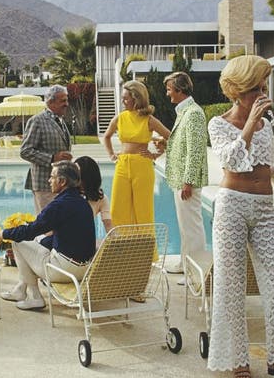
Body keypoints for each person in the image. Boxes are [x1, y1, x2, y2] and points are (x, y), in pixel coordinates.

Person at [207, 55, 274, 378]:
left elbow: (262, 166)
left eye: (264, 86)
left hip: (265, 209)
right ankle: (238, 361)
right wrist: (250, 123)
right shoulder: (218, 124)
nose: (263, 93)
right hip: (232, 207)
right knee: (231, 285)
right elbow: (232, 162)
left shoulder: (267, 126)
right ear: (238, 91)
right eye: (257, 87)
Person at [0, 161, 96, 310]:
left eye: (52, 177)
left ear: (62, 181)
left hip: (64, 271)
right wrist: (41, 242)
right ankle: (20, 289)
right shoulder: (83, 203)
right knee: (38, 241)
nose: (49, 180)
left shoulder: (59, 205)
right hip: (84, 269)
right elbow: (70, 236)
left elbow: (30, 231)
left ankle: (35, 297)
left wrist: (4, 233)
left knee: (18, 242)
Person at [101, 80, 171, 227]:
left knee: (143, 212)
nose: (123, 101)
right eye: (122, 98)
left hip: (142, 166)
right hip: (122, 166)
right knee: (117, 210)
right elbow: (106, 136)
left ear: (136, 98)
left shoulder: (149, 119)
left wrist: (157, 154)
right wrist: (112, 156)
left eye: (126, 98)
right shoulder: (120, 117)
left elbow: (170, 137)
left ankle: (146, 250)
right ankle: (123, 248)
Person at [163, 71, 209, 274]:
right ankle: (185, 264)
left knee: (192, 228)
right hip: (180, 179)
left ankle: (196, 272)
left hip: (186, 181)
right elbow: (183, 145)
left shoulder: (194, 113)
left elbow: (196, 150)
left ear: (180, 90)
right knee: (185, 227)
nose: (167, 93)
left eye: (169, 89)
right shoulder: (184, 112)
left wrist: (188, 181)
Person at [20, 85, 74, 213]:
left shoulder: (60, 121)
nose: (66, 104)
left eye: (66, 100)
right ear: (51, 102)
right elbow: (25, 151)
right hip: (44, 184)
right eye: (63, 101)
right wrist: (52, 158)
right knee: (47, 227)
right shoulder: (37, 121)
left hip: (61, 184)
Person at [74, 155, 113, 234]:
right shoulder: (67, 193)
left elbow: (108, 224)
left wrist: (116, 243)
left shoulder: (100, 198)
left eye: (77, 173)